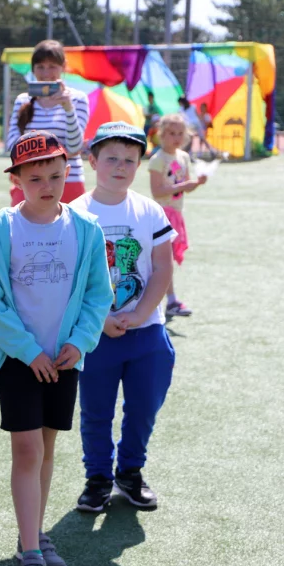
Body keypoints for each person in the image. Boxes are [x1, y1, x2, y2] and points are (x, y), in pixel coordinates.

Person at [0, 131, 113, 566]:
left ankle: (30, 535)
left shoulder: (85, 228)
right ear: (16, 180)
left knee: (47, 449)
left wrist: (81, 341)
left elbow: (98, 294)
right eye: (35, 179)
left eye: (56, 175)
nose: (47, 186)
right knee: (28, 450)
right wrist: (27, 351)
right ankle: (32, 557)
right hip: (20, 359)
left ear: (68, 172)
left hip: (63, 358)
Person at [71, 122, 177, 513]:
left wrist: (138, 315)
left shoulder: (149, 210)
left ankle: (130, 472)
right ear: (92, 160)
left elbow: (162, 269)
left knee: (144, 408)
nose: (120, 166)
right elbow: (72, 280)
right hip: (95, 335)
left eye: (129, 160)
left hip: (146, 333)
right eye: (111, 158)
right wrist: (100, 321)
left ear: (139, 164)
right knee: (96, 412)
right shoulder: (75, 213)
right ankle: (98, 477)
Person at [6, 40, 90, 206]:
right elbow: (12, 145)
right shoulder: (23, 100)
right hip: (28, 181)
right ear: (33, 69)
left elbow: (74, 147)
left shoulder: (77, 99)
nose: (46, 72)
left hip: (68, 181)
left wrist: (68, 109)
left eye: (52, 66)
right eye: (40, 67)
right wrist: (51, 156)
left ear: (63, 67)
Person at [148, 113, 207, 318]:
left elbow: (184, 186)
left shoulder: (183, 157)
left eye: (180, 133)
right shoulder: (157, 159)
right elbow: (157, 191)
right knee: (163, 261)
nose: (176, 137)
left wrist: (197, 183)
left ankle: (168, 300)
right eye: (171, 133)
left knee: (167, 260)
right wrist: (183, 186)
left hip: (176, 214)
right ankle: (169, 300)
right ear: (162, 135)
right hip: (162, 215)